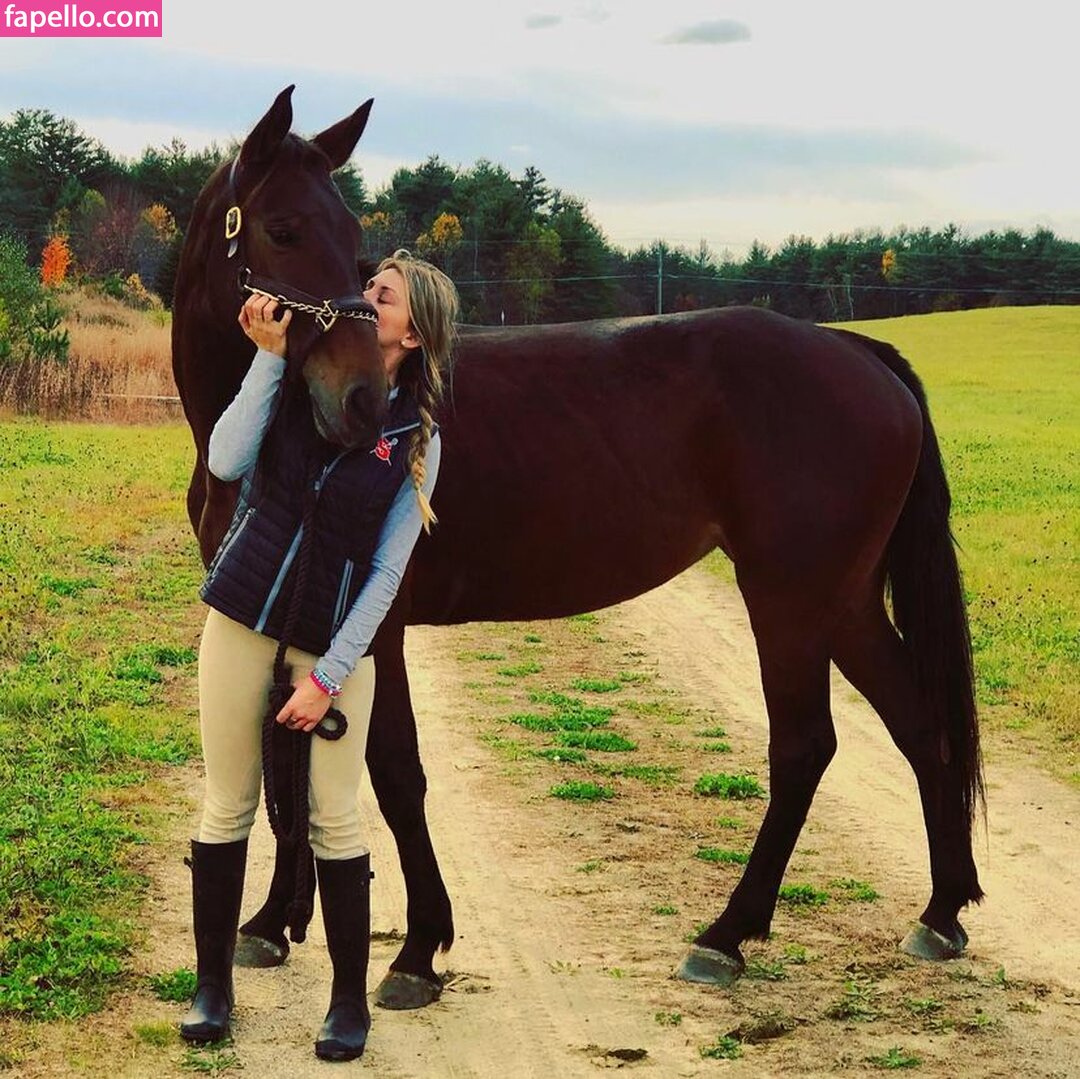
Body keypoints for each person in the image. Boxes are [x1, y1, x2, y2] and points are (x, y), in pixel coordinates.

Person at [179, 250, 459, 1061]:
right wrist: (269, 361)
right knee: (226, 804)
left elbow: (387, 574)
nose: (364, 297)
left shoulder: (417, 439)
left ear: (413, 332)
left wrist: (328, 677)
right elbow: (225, 460)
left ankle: (346, 1004)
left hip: (330, 647)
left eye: (384, 294)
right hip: (241, 620)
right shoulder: (299, 378)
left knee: (336, 818)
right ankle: (211, 988)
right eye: (367, 286)